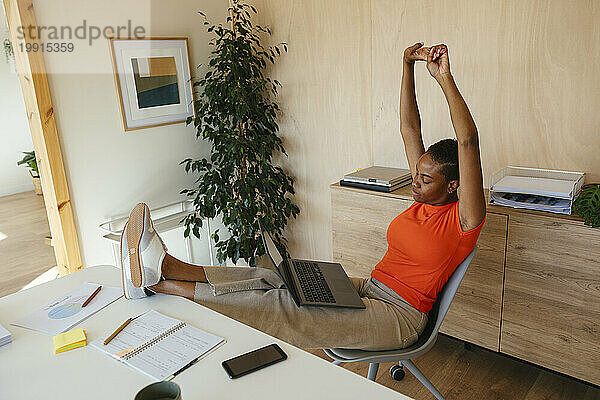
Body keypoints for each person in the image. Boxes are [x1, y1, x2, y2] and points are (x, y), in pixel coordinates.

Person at [119, 43, 486, 351]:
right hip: (371, 287)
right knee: (271, 278)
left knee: (282, 304)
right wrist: (407, 66)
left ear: (453, 185)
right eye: (417, 174)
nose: (415, 182)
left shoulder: (464, 220)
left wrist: (444, 78)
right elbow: (409, 128)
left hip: (400, 317)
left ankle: (158, 286)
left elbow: (468, 140)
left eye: (424, 178)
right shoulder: (422, 200)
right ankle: (168, 266)